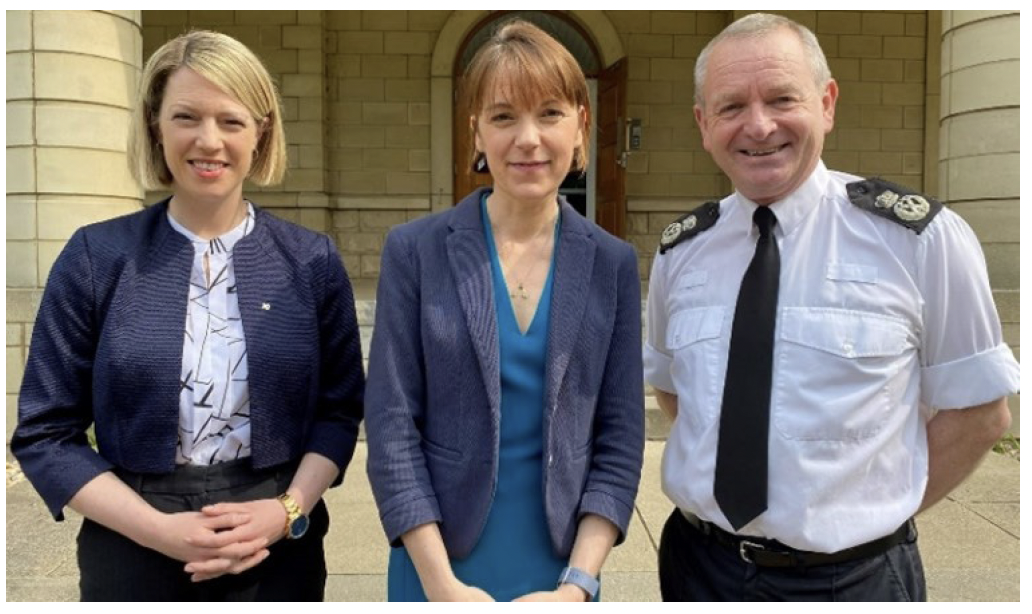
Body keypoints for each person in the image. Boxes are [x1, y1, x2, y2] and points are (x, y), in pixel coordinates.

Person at [644, 13, 1019, 602]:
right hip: (699, 568)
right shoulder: (682, 251)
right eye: (731, 106)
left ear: (827, 103)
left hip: (855, 580)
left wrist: (862, 517)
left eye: (782, 98)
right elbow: (676, 392)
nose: (759, 125)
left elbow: (980, 413)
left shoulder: (919, 240)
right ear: (703, 124)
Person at [11, 30, 365, 601]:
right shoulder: (96, 257)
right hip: (131, 540)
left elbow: (339, 410)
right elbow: (46, 432)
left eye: (231, 120)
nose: (209, 140)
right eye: (186, 117)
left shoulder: (310, 260)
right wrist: (158, 530)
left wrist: (286, 510)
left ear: (261, 131)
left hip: (277, 548)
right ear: (156, 125)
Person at [364, 20, 645, 602]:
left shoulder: (612, 263)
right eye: (502, 117)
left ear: (580, 126)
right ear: (476, 134)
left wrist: (578, 587)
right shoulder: (415, 251)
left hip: (561, 571)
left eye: (549, 113)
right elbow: (392, 428)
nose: (528, 138)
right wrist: (441, 586)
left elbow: (620, 438)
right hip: (440, 567)